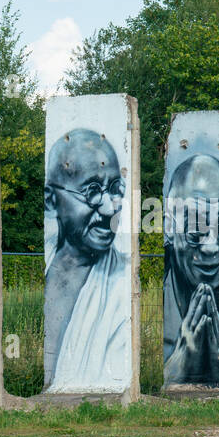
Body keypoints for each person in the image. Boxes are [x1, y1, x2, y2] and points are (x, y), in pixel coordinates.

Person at [44, 129, 129, 391]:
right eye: (92, 191)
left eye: (115, 189)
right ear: (51, 200)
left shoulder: (121, 282)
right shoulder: (48, 262)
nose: (109, 208)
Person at [163, 153, 219, 387]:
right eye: (196, 229)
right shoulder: (163, 275)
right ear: (170, 227)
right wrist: (176, 369)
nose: (211, 246)